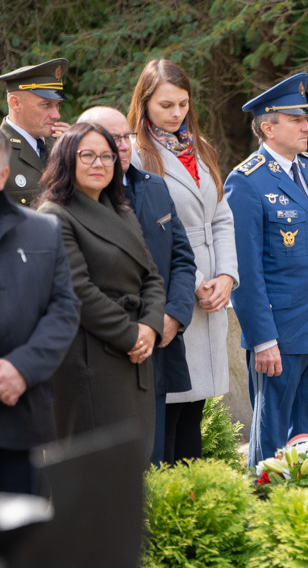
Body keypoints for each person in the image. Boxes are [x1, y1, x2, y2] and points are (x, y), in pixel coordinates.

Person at [225, 73, 308, 467]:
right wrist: (262, 339)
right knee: (273, 438)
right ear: (267, 126)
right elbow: (246, 272)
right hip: (279, 336)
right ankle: (264, 515)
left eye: (305, 118)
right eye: (297, 120)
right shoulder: (247, 181)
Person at [35, 122, 165, 473]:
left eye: (107, 156)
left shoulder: (121, 211)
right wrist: (131, 334)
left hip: (135, 352)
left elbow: (151, 274)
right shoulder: (54, 215)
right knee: (96, 474)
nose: (99, 164)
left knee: (129, 468)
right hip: (90, 357)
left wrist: (150, 327)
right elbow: (77, 290)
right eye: (87, 155)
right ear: (66, 161)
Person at [128, 59, 238, 464]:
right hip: (174, 289)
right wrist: (195, 282)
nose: (176, 115)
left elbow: (222, 216)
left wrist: (226, 274)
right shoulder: (138, 157)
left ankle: (191, 503)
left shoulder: (201, 148)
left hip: (214, 292)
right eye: (166, 106)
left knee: (197, 410)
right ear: (144, 105)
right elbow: (149, 234)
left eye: (183, 105)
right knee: (170, 410)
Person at [78, 106, 197, 464]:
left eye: (126, 136)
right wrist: (134, 332)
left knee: (156, 455)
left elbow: (180, 260)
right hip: (105, 350)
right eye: (111, 139)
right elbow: (81, 285)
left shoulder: (154, 186)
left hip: (159, 340)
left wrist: (171, 316)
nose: (123, 145)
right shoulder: (74, 204)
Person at [0, 134, 80, 494]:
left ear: (3, 174)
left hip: (19, 419)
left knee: (19, 543)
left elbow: (64, 309)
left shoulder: (42, 231)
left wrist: (21, 368)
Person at [0, 58, 71, 206]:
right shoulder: (2, 150)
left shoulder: (62, 145)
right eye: (46, 105)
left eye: (57, 105)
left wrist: (76, 151)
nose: (56, 115)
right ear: (16, 103)